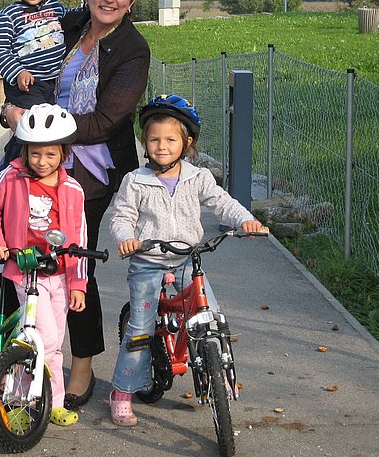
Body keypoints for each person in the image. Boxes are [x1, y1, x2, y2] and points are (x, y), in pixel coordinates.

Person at [4, 0, 150, 409]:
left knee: (69, 261)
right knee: (17, 250)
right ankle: (14, 353)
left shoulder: (132, 49)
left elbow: (108, 119)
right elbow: (14, 53)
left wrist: (39, 128)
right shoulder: (64, 25)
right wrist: (15, 111)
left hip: (92, 165)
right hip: (36, 153)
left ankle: (82, 360)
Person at [108, 94, 264, 426]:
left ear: (187, 142)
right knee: (140, 328)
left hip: (186, 260)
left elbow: (223, 203)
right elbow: (121, 218)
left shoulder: (198, 177)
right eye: (154, 139)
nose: (161, 146)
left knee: (211, 315)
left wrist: (245, 220)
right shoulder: (135, 181)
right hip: (148, 261)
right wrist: (126, 239)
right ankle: (122, 391)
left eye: (170, 139)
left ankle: (217, 373)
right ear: (144, 142)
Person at [0, 103, 87, 427]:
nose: (42, 162)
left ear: (64, 154)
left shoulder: (72, 190)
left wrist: (78, 284)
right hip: (25, 271)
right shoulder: (11, 177)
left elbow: (80, 240)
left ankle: (53, 401)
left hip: (60, 274)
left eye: (50, 155)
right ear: (25, 151)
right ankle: (17, 397)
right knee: (46, 339)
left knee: (54, 345)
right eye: (36, 154)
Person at [0, 0, 67, 169]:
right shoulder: (10, 15)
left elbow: (78, 18)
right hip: (27, 85)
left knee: (51, 133)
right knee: (31, 130)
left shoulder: (56, 9)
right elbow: (0, 50)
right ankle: (8, 171)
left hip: (51, 84)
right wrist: (18, 71)